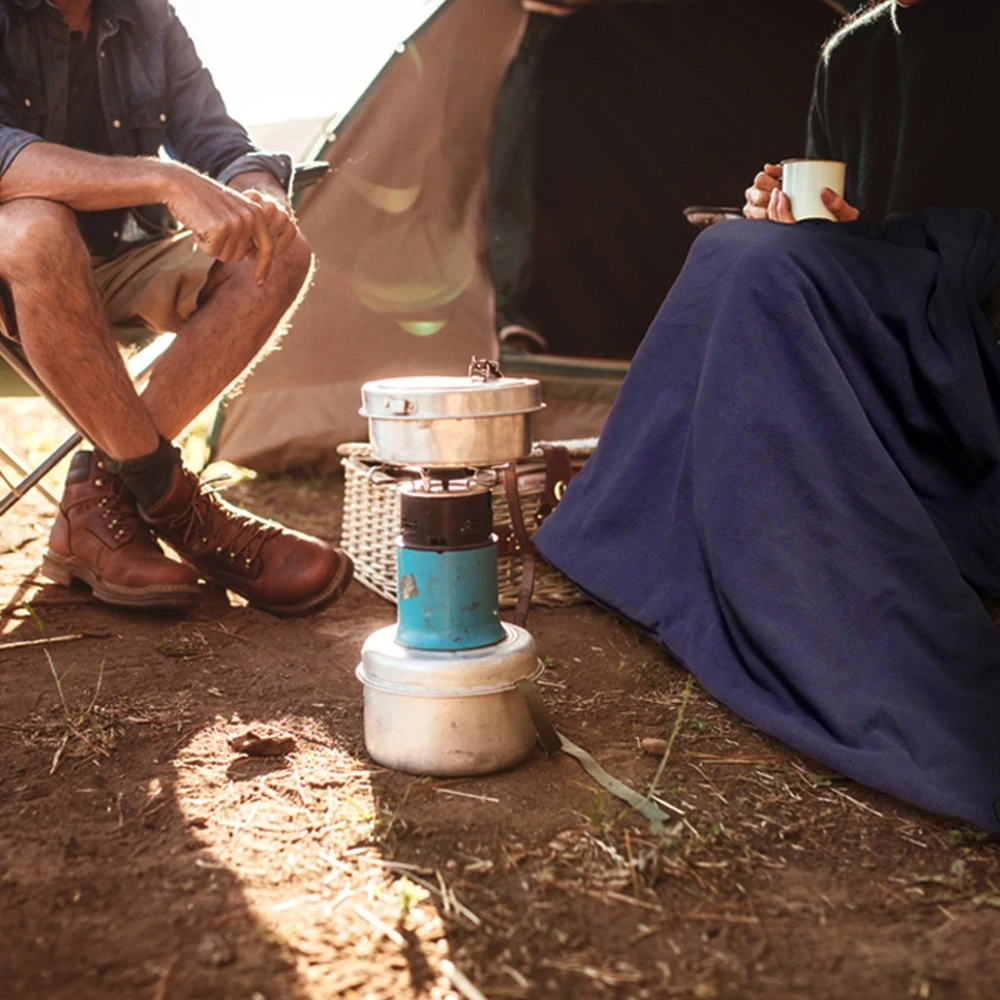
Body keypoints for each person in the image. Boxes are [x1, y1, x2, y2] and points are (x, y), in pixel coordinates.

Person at [534, 0, 1000, 829]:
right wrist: (814, 227)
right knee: (738, 255)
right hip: (892, 321)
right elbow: (856, 239)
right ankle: (665, 549)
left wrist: (896, 262)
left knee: (751, 268)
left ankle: (779, 592)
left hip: (973, 346)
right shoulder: (852, 56)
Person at [0, 0, 353, 616]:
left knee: (278, 253)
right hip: (16, 264)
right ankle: (185, 512)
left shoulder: (146, 15)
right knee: (37, 227)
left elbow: (217, 139)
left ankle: (102, 495)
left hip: (119, 253)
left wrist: (259, 197)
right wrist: (167, 180)